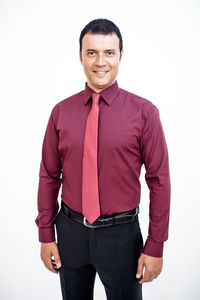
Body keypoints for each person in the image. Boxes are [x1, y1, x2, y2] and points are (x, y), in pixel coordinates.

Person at [35, 18, 171, 300]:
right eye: (91, 52)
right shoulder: (61, 112)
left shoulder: (145, 113)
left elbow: (159, 181)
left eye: (109, 52)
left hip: (122, 237)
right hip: (70, 232)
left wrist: (155, 244)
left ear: (121, 55)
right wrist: (46, 234)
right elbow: (49, 176)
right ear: (80, 56)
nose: (100, 61)